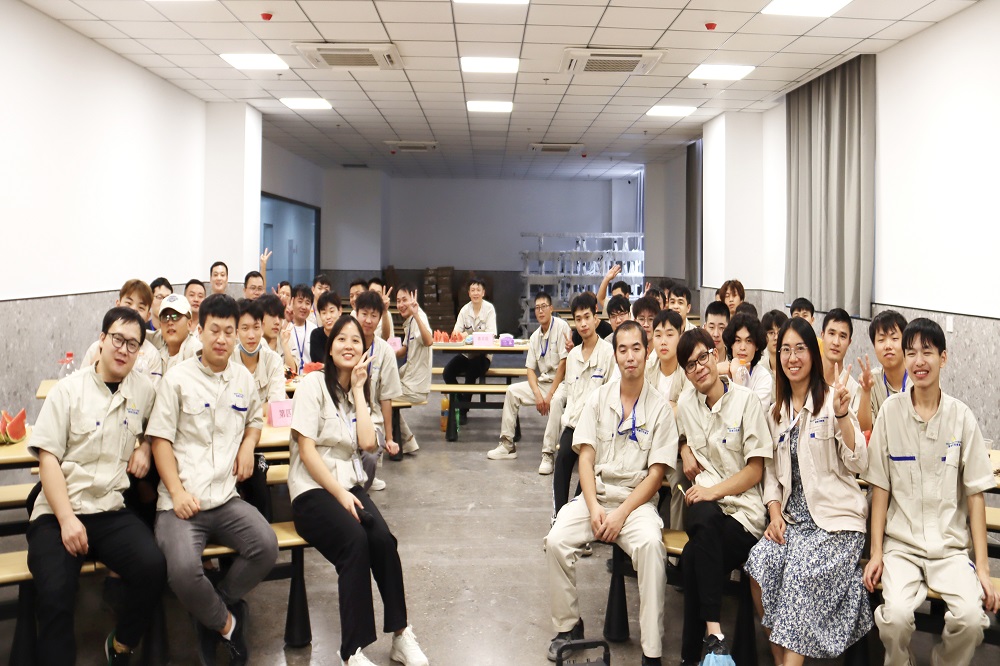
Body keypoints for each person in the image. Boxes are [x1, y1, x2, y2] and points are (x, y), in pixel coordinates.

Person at [27, 307, 166, 665]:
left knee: (153, 567)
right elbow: (47, 460)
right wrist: (66, 520)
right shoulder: (67, 391)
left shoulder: (143, 390)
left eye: (132, 344)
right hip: (60, 511)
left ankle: (121, 644)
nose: (123, 349)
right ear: (102, 340)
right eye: (117, 339)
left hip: (109, 509)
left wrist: (145, 447)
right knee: (56, 593)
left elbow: (157, 427)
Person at [289, 315, 430, 666]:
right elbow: (306, 451)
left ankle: (401, 634)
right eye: (341, 339)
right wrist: (339, 495)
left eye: (356, 340)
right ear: (329, 346)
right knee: (355, 542)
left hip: (349, 484)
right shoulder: (311, 386)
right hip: (311, 490)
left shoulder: (356, 392)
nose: (349, 345)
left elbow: (368, 444)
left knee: (383, 540)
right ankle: (351, 650)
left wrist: (357, 390)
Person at [147, 294, 279, 665]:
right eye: (214, 330)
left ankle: (212, 611)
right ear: (200, 330)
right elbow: (160, 441)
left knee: (266, 546)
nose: (222, 339)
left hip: (225, 497)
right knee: (183, 572)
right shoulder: (177, 380)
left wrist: (248, 445)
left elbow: (255, 419)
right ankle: (228, 625)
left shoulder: (243, 378)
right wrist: (176, 492)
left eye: (229, 332)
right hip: (181, 503)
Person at [862, 318, 998, 666]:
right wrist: (876, 553)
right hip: (902, 547)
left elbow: (976, 496)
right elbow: (880, 489)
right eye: (911, 353)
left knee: (972, 621)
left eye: (927, 352)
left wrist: (983, 568)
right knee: (894, 619)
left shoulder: (961, 417)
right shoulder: (890, 414)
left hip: (949, 548)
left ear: (943, 358)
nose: (918, 361)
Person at [544, 321, 674, 666]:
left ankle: (651, 651)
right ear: (614, 355)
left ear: (647, 353)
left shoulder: (660, 409)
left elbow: (656, 476)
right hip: (597, 496)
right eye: (623, 349)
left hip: (636, 503)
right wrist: (593, 507)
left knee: (651, 547)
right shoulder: (598, 399)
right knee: (556, 540)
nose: (630, 356)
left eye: (636, 348)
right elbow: (585, 459)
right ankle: (568, 626)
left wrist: (621, 514)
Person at [744, 317, 871, 665]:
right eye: (785, 350)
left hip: (836, 523)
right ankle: (780, 660)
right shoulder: (777, 413)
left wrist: (843, 417)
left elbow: (859, 462)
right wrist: (774, 514)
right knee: (759, 565)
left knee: (799, 577)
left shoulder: (832, 401)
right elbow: (771, 473)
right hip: (794, 520)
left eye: (800, 349)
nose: (792, 357)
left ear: (813, 354)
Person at [674, 328, 771, 664]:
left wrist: (711, 491)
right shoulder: (686, 404)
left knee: (692, 557)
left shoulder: (746, 401)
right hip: (708, 511)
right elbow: (679, 434)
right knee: (701, 517)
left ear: (715, 355)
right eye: (690, 365)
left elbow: (755, 471)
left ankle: (694, 654)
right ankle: (713, 635)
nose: (699, 367)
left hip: (743, 515)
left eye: (703, 357)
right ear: (686, 373)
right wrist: (684, 448)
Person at [487, 290, 570, 475]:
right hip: (544, 383)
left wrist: (549, 395)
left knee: (556, 401)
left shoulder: (562, 327)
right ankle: (507, 445)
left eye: (544, 307)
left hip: (562, 384)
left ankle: (548, 454)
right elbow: (530, 370)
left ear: (551, 308)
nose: (540, 311)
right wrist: (538, 394)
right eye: (537, 308)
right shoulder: (534, 337)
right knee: (512, 391)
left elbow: (563, 365)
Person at [552, 292, 615, 516]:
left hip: (597, 429)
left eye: (587, 317)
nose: (583, 323)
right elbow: (570, 394)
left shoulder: (608, 353)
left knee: (587, 469)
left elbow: (611, 394)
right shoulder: (573, 356)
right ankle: (559, 515)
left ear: (596, 317)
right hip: (574, 424)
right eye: (578, 319)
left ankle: (576, 514)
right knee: (562, 459)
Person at [231, 298, 286, 520]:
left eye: (256, 327)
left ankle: (263, 526)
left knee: (257, 474)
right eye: (244, 328)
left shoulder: (273, 360)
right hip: (232, 440)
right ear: (236, 331)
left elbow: (276, 404)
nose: (251, 335)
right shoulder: (227, 358)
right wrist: (260, 409)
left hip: (263, 438)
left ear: (262, 327)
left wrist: (244, 410)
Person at [354, 290, 404, 491]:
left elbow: (386, 398)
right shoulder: (345, 345)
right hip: (344, 416)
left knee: (371, 455)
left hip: (372, 418)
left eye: (374, 315)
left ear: (380, 318)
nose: (368, 320)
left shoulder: (385, 352)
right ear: (356, 313)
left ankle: (362, 489)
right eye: (364, 314)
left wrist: (389, 438)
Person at [648, 309, 691, 531]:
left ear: (681, 336)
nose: (663, 341)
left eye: (670, 334)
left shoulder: (688, 371)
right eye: (658, 335)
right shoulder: (647, 370)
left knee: (681, 483)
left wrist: (666, 410)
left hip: (677, 451)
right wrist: (671, 407)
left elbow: (686, 414)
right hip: (648, 448)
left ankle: (677, 543)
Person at [81, 279, 164, 384]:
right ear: (118, 305)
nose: (133, 310)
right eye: (128, 303)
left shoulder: (152, 355)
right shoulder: (96, 348)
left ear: (148, 316)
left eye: (141, 308)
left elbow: (152, 392)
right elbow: (80, 383)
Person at [443, 278, 497, 423]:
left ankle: (463, 410)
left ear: (483, 293)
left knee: (472, 370)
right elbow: (456, 333)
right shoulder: (464, 310)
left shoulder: (489, 309)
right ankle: (461, 401)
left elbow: (492, 334)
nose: (475, 293)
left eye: (478, 290)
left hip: (483, 356)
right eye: (472, 290)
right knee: (447, 372)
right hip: (466, 354)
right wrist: (460, 335)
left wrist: (469, 336)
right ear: (468, 293)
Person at [393, 283, 434, 458]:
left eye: (405, 300)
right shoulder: (409, 321)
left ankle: (398, 441)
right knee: (383, 394)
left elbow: (428, 341)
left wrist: (416, 315)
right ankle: (407, 441)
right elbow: (404, 349)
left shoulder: (418, 318)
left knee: (381, 397)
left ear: (413, 299)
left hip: (415, 386)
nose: (401, 304)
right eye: (398, 301)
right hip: (408, 379)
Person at [864, 310, 909, 424]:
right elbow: (865, 429)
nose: (888, 346)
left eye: (894, 339)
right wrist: (865, 391)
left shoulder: (919, 379)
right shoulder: (870, 381)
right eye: (881, 340)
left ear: (906, 343)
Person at [722, 313, 773, 411]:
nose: (742, 347)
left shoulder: (763, 377)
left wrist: (737, 375)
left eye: (749, 341)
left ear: (757, 346)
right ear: (731, 344)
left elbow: (753, 415)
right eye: (737, 340)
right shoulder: (722, 373)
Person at [820, 309, 862, 422]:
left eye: (842, 336)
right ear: (822, 335)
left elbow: (860, 429)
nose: (836, 342)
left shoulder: (853, 389)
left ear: (849, 342)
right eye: (831, 334)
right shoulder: (806, 377)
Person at [150, 294, 202, 373]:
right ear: (160, 325)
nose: (170, 322)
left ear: (189, 323)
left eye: (176, 316)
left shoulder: (197, 352)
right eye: (165, 317)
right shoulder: (155, 346)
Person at [258, 293, 296, 371]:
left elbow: (293, 372)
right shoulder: (253, 341)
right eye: (272, 316)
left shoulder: (285, 337)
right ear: (260, 318)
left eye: (280, 317)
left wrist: (285, 345)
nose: (277, 322)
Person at [289, 283, 318, 375]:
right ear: (292, 301)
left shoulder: (314, 330)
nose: (304, 307)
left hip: (310, 379)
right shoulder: (285, 329)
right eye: (300, 301)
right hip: (289, 379)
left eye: (307, 303)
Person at [310, 290, 342, 363]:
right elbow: (317, 362)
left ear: (340, 311)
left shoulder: (346, 333)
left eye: (332, 311)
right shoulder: (316, 335)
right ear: (320, 315)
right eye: (324, 313)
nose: (328, 317)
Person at [758, 309, 788, 380]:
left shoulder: (792, 367)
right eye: (771, 333)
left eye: (780, 332)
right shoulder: (760, 369)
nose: (776, 337)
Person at [703, 300, 730, 376]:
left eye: (721, 328)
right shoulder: (698, 361)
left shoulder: (733, 360)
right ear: (705, 328)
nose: (716, 334)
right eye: (711, 327)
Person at [631, 296, 660, 367]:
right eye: (641, 319)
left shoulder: (662, 351)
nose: (646, 324)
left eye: (651, 319)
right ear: (635, 321)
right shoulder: (629, 352)